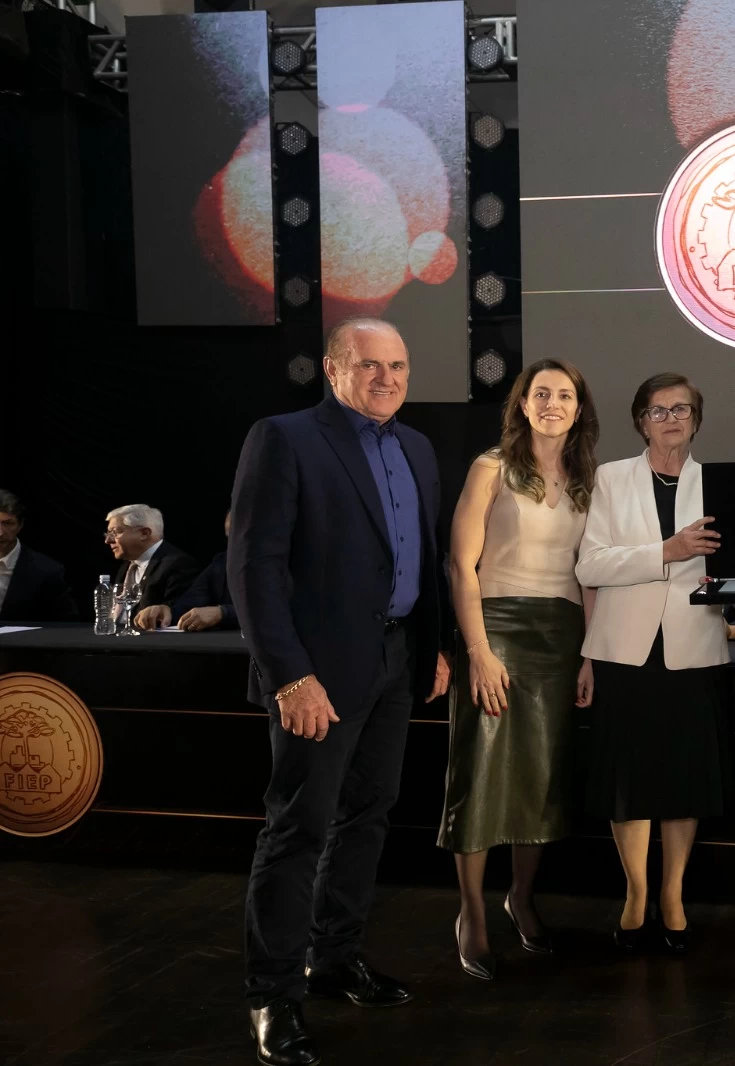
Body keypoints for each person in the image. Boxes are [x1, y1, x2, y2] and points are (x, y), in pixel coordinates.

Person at [230, 318, 450, 1066]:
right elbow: (254, 568)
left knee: (367, 817)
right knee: (297, 829)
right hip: (315, 677)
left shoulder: (417, 448)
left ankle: (334, 957)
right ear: (332, 369)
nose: (387, 378)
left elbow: (421, 558)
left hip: (396, 663)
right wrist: (289, 676)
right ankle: (272, 995)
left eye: (399, 365)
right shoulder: (284, 438)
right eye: (370, 365)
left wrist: (434, 648)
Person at [439, 359, 598, 980]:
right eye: (542, 394)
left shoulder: (589, 480)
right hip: (496, 631)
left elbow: (590, 575)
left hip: (561, 639)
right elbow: (461, 565)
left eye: (565, 395)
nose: (553, 403)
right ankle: (472, 913)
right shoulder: (491, 467)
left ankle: (521, 898)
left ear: (579, 410)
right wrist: (477, 651)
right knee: (480, 775)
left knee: (540, 777)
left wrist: (588, 655)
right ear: (523, 405)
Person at [575, 372, 729, 955]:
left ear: (696, 420)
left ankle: (673, 894)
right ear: (641, 421)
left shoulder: (715, 485)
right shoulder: (611, 478)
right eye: (658, 410)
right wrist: (667, 551)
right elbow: (590, 566)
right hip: (625, 652)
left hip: (695, 651)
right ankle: (636, 893)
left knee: (685, 780)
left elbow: (732, 569)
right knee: (628, 780)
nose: (670, 420)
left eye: (681, 410)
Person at [134, 513, 237, 631]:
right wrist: (166, 611)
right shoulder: (221, 562)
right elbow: (191, 602)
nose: (233, 542)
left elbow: (256, 611)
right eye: (230, 535)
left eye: (240, 534)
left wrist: (223, 613)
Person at [105, 504, 198, 614]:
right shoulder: (127, 565)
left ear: (144, 533)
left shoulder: (179, 564)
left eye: (115, 532)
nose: (108, 540)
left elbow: (175, 612)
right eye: (108, 533)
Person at [0, 489, 76, 622]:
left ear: (20, 525)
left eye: (8, 523)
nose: (0, 533)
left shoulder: (47, 571)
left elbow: (66, 624)